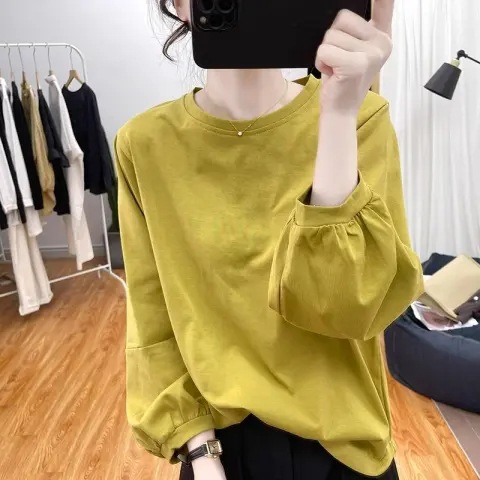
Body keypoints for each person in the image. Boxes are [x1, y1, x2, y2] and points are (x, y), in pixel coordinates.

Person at [116, 0, 423, 478]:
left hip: (343, 448)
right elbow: (153, 318)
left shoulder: (361, 119)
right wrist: (200, 453)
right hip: (217, 450)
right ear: (178, 5)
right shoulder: (145, 144)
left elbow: (350, 308)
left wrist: (337, 116)